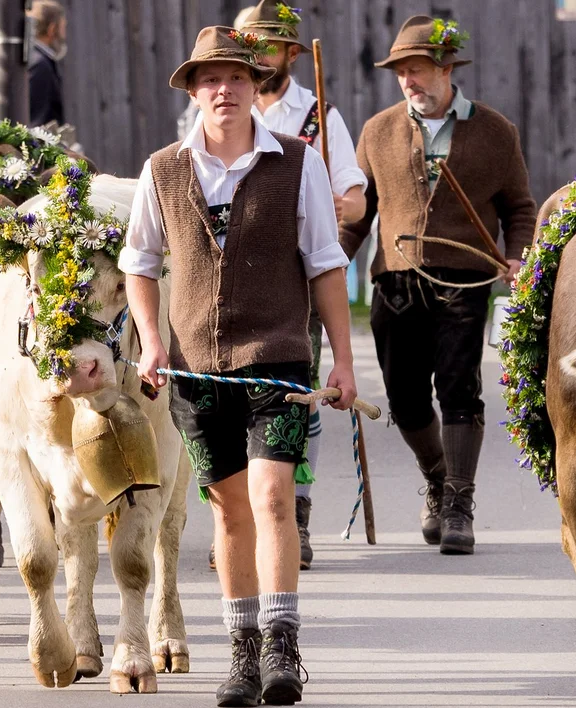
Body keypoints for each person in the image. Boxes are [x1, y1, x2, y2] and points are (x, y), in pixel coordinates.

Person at [122, 26, 356, 708]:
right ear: (194, 91)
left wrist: (342, 360)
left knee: (273, 498)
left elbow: (326, 262)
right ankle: (242, 656)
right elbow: (139, 263)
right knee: (227, 516)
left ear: (257, 86)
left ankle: (283, 646)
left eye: (236, 77)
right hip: (197, 370)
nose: (223, 89)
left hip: (277, 363)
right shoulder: (163, 169)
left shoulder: (295, 161)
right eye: (210, 79)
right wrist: (153, 343)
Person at [346, 15, 534, 557]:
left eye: (418, 69)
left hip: (467, 277)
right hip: (397, 279)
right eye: (401, 72)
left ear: (447, 68)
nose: (409, 81)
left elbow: (519, 209)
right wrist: (329, 262)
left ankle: (458, 501)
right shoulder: (378, 131)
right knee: (404, 397)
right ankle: (436, 473)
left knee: (458, 387)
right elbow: (360, 213)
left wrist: (517, 255)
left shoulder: (495, 132)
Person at [230, 0, 367, 570]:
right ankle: (239, 518)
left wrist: (340, 204)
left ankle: (297, 510)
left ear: (290, 52)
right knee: (230, 401)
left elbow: (357, 201)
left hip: (296, 281)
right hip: (230, 278)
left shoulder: (319, 117)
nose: (259, 59)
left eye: (269, 47)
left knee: (295, 397)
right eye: (250, 47)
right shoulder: (223, 105)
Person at [27, 0, 67, 127]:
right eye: (62, 28)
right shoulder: (40, 65)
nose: (64, 35)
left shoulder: (38, 59)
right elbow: (38, 120)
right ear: (52, 29)